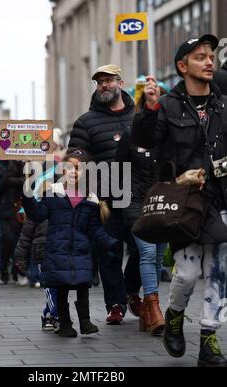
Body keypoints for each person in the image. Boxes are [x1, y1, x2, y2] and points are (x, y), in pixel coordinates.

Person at [132, 34, 227, 367]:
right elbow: (143, 141)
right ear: (182, 66)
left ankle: (208, 338)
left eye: (211, 56)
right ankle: (174, 317)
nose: (209, 61)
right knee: (186, 275)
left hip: (220, 199)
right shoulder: (168, 104)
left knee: (219, 271)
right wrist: (148, 107)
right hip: (183, 203)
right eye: (200, 57)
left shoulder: (223, 102)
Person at [68, 64, 142, 324]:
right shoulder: (86, 121)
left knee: (141, 249)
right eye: (99, 82)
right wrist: (74, 161)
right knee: (109, 252)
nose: (104, 86)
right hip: (105, 198)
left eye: (109, 80)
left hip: (137, 195)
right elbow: (77, 150)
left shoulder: (139, 115)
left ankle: (131, 290)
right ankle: (115, 305)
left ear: (120, 83)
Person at [22, 148, 120, 337]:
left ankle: (85, 321)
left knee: (83, 285)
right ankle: (65, 323)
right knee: (62, 288)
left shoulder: (90, 198)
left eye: (79, 168)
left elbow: (95, 229)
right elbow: (38, 214)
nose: (73, 171)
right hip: (58, 250)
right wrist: (27, 195)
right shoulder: (53, 193)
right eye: (69, 167)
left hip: (81, 251)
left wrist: (110, 242)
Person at [116, 89, 168, 335]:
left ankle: (148, 310)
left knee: (158, 256)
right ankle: (155, 308)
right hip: (135, 203)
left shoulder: (169, 138)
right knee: (146, 252)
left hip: (163, 204)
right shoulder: (131, 136)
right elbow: (117, 170)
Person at [0, 160, 25, 284]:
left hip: (18, 207)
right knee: (7, 239)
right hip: (4, 207)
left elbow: (26, 182)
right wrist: (9, 178)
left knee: (16, 241)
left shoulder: (20, 164)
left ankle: (16, 271)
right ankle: (4, 269)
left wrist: (13, 178)